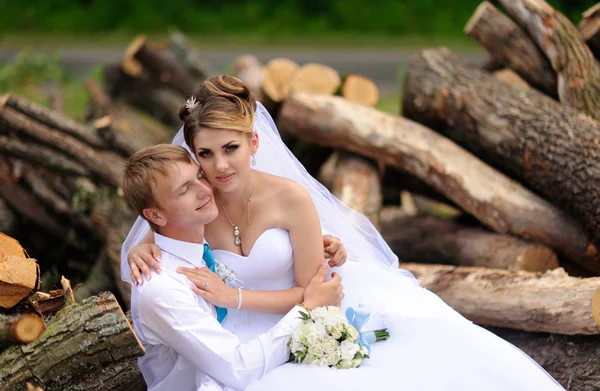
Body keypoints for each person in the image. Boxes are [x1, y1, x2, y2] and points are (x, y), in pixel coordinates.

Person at [123, 76, 566, 390]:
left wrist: (231, 296)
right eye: (205, 153)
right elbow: (165, 231)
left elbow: (316, 292)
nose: (219, 167)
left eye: (231, 149)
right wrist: (139, 250)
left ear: (254, 143)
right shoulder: (198, 202)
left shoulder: (290, 199)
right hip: (239, 341)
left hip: (301, 318)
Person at [121, 144, 344, 390]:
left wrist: (317, 242)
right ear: (156, 216)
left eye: (199, 176)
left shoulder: (194, 242)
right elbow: (238, 368)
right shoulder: (161, 289)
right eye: (185, 190)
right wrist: (308, 309)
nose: (206, 189)